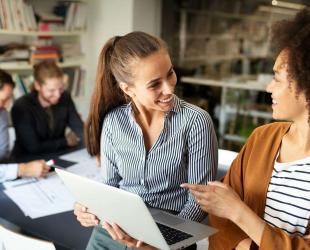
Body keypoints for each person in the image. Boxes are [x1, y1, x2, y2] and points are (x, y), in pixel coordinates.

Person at [73, 31, 218, 250]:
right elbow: (110, 186)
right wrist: (90, 208)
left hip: (170, 236)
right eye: (154, 84)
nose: (169, 88)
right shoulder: (113, 122)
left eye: (170, 74)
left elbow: (199, 201)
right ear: (127, 89)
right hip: (113, 232)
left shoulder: (196, 122)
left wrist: (163, 243)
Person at [182, 8, 310, 250]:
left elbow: (229, 208)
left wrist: (238, 211)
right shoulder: (263, 138)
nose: (269, 87)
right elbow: (220, 213)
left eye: (278, 79)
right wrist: (246, 243)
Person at [11, 60, 83, 157]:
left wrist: (97, 148)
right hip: (28, 160)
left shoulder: (65, 97)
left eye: (60, 88)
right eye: (51, 90)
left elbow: (80, 129)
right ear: (37, 86)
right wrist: (65, 142)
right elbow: (33, 147)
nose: (57, 95)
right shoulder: (21, 106)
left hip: (58, 155)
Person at [0, 69, 50, 183]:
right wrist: (22, 169)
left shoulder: (1, 112)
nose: (7, 105)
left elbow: (3, 155)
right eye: (3, 99)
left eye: (9, 98)